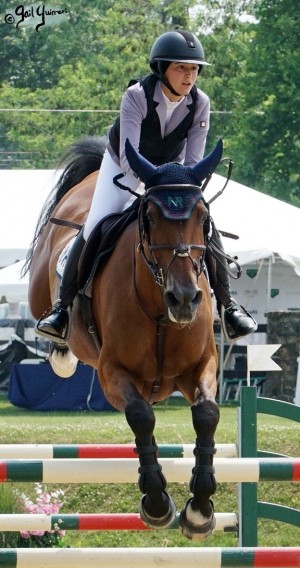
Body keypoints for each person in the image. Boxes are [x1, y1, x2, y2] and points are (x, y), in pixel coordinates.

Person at [37, 29, 257, 343]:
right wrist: (151, 186)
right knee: (96, 226)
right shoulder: (137, 96)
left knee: (204, 226)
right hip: (125, 166)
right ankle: (62, 307)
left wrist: (177, 188)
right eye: (181, 68)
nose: (189, 76)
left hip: (170, 173)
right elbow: (130, 154)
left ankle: (228, 305)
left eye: (194, 69)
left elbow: (193, 162)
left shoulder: (200, 103)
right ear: (162, 68)